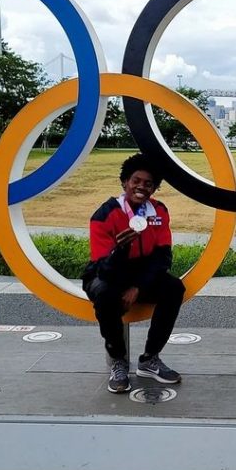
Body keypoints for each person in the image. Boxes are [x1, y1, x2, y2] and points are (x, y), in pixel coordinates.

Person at [82, 153, 184, 393]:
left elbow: (163, 257)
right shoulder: (105, 215)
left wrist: (137, 287)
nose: (141, 187)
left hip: (143, 272)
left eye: (149, 183)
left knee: (174, 288)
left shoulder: (158, 211)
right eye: (136, 180)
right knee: (105, 295)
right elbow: (103, 270)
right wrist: (120, 250)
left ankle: (150, 359)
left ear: (155, 188)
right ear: (125, 182)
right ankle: (118, 360)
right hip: (107, 273)